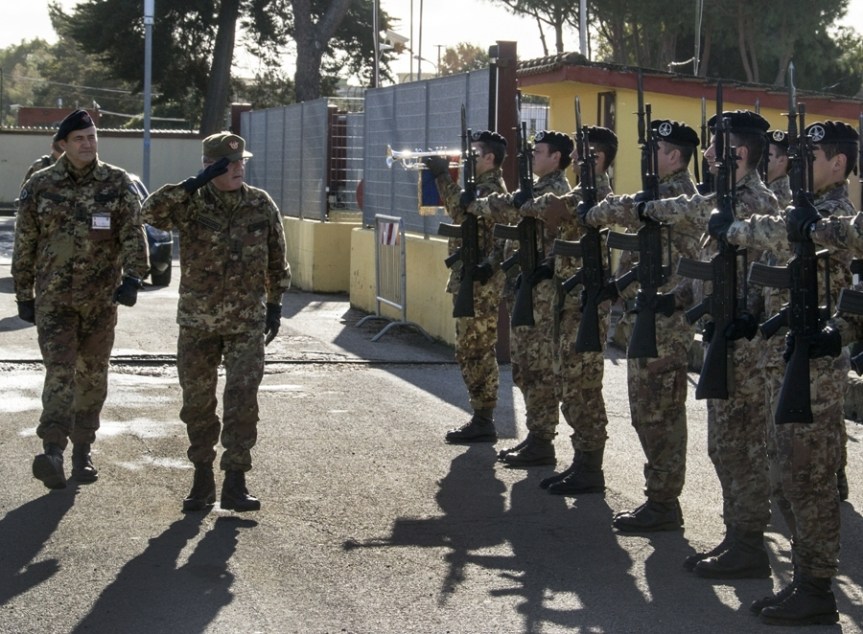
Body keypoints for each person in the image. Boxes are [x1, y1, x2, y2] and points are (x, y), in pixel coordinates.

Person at [709, 120, 857, 626]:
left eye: (811, 159)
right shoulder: (806, 215)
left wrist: (844, 331)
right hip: (786, 359)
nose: (800, 169)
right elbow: (772, 232)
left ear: (838, 164)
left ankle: (817, 587)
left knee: (809, 478)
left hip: (815, 369)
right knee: (787, 476)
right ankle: (803, 580)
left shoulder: (837, 217)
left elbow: (822, 243)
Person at [641, 111, 779, 576]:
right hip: (719, 334)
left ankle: (749, 543)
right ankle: (735, 536)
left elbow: (766, 272)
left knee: (742, 445)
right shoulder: (719, 201)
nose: (709, 154)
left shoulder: (757, 201)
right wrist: (678, 298)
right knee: (723, 445)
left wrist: (751, 314)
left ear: (738, 152)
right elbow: (705, 265)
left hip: (745, 342)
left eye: (717, 146)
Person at [142, 132, 290, 513]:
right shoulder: (190, 204)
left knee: (242, 400)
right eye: (229, 164)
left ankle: (236, 481)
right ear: (211, 166)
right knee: (198, 403)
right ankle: (202, 476)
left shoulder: (260, 203)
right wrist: (193, 184)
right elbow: (149, 212)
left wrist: (274, 305)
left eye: (242, 162)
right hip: (198, 323)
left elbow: (277, 259)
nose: (239, 168)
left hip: (245, 322)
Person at [12, 109, 149, 490]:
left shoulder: (116, 182)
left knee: (92, 375)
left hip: (100, 300)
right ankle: (52, 450)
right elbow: (25, 241)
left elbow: (132, 233)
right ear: (63, 145)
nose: (87, 144)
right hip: (54, 300)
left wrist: (135, 277)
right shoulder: (40, 185)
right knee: (60, 372)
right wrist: (24, 293)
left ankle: (82, 450)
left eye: (91, 137)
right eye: (79, 139)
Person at [578, 119, 701, 531]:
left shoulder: (677, 196)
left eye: (657, 148)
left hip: (666, 319)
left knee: (660, 412)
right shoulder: (659, 194)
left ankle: (665, 502)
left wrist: (595, 211)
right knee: (647, 411)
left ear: (674, 156)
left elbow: (628, 208)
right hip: (649, 315)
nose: (649, 154)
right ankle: (661, 498)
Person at [514, 126, 617, 486]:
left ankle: (591, 465)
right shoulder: (581, 194)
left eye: (584, 154)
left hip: (585, 303)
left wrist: (529, 203)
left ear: (599, 159)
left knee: (581, 383)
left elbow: (551, 208)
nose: (575, 160)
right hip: (568, 300)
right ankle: (582, 460)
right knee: (568, 380)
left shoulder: (598, 195)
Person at [465, 130, 573, 467]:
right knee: (525, 367)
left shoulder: (556, 191)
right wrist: (476, 202)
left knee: (538, 367)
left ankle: (542, 440)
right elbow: (509, 208)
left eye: (540, 152)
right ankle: (536, 435)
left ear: (556, 158)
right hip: (524, 289)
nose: (534, 156)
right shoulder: (537, 189)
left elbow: (518, 210)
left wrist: (494, 203)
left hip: (541, 291)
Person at [422, 131, 508, 444]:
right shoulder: (478, 187)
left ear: (490, 158)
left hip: (481, 282)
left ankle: (484, 417)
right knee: (468, 347)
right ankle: (481, 414)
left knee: (477, 347)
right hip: (469, 278)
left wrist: (443, 175)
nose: (468, 159)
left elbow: (460, 209)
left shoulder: (491, 189)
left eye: (474, 154)